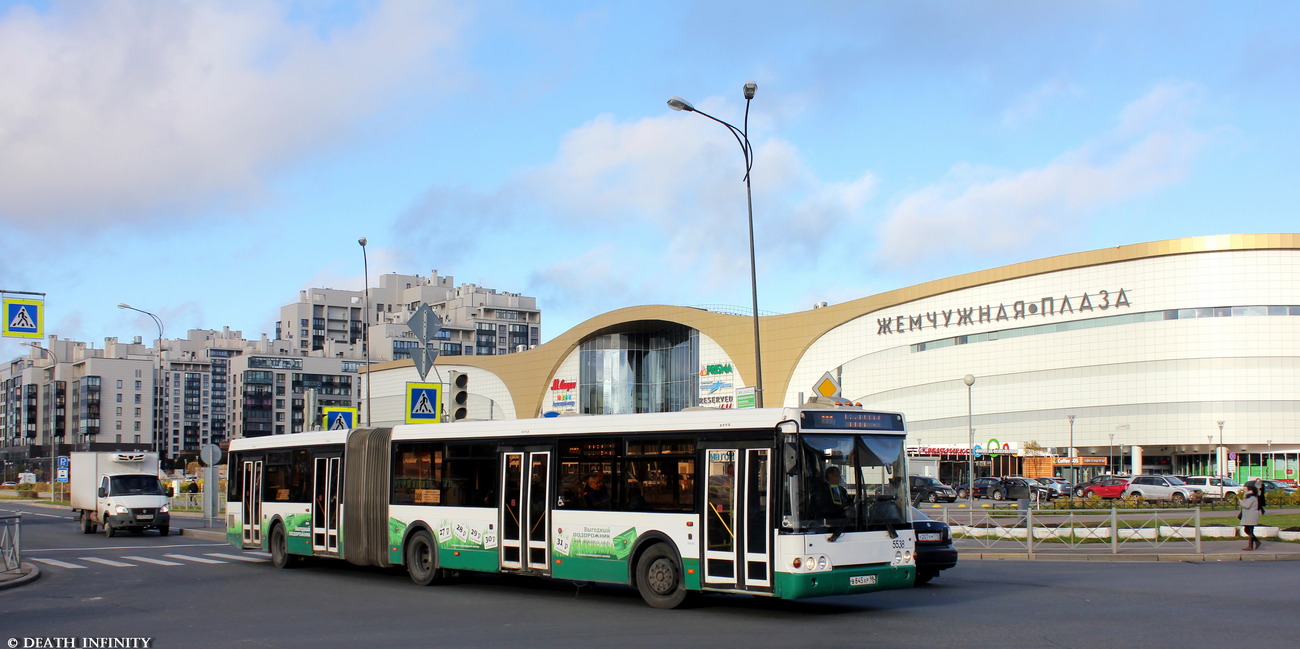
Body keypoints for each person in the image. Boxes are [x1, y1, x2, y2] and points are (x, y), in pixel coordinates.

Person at [1239, 483, 1263, 551]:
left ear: (1249, 490)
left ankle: (1251, 545)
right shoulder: (1251, 497)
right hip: (1249, 515)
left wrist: (1241, 502)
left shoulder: (1251, 497)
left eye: (1246, 489)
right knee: (1248, 530)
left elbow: (1247, 506)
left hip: (1250, 516)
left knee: (1249, 530)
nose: (1245, 490)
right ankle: (1256, 542)